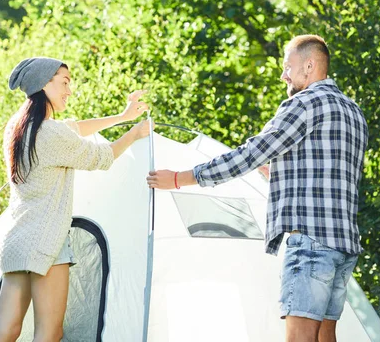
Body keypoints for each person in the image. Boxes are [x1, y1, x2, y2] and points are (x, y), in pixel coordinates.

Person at [146, 35, 368, 342]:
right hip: (344, 243)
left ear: (309, 65)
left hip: (312, 241)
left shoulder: (304, 104)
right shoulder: (353, 112)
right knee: (325, 335)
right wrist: (276, 172)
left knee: (300, 336)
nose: (284, 75)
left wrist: (180, 178)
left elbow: (250, 154)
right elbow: (326, 171)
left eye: (288, 66)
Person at [0, 57, 151, 342]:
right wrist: (135, 133)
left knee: (6, 330)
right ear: (44, 83)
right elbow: (101, 157)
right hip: (47, 242)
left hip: (17, 241)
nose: (70, 90)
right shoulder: (50, 133)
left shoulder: (18, 128)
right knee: (50, 331)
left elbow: (73, 128)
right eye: (64, 82)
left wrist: (122, 117)